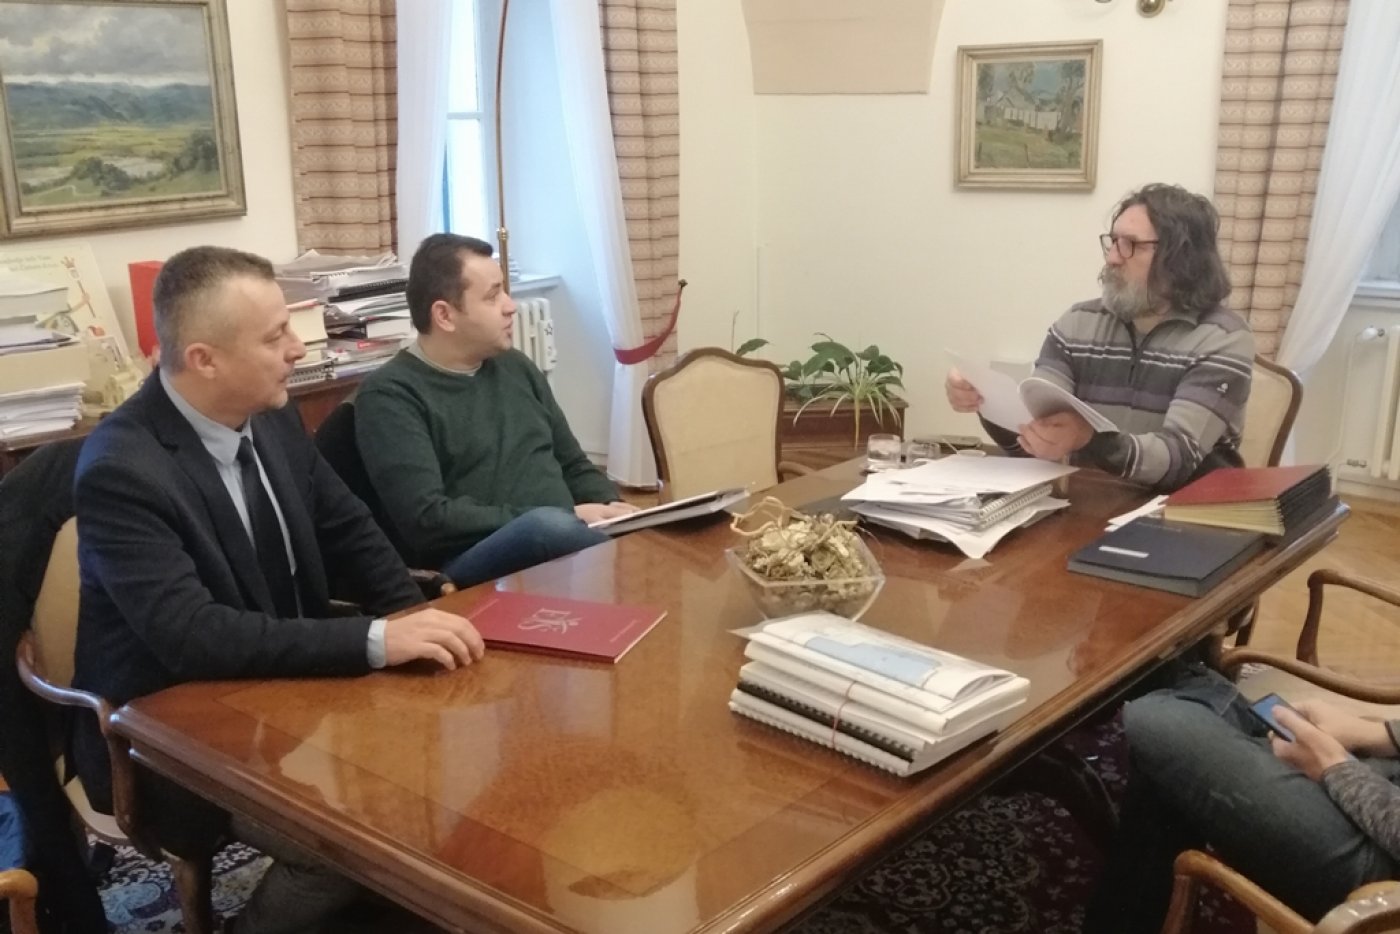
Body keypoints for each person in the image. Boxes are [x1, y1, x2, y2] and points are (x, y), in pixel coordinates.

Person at [71, 245, 485, 934]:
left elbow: (348, 527)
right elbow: (195, 636)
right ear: (204, 359)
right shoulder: (122, 470)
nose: (298, 348)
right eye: (275, 336)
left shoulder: (271, 415)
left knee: (434, 804)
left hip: (283, 692)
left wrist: (415, 619)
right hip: (168, 733)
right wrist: (375, 638)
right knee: (343, 854)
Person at [354, 233, 636, 587]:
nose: (510, 306)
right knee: (548, 527)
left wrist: (614, 510)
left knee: (666, 525)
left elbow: (573, 464)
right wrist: (568, 516)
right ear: (444, 315)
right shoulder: (390, 395)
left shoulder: (515, 366)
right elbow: (428, 519)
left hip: (562, 537)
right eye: (492, 296)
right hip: (470, 560)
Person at [945, 183, 1255, 492]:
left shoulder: (1223, 338)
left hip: (1183, 512)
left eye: (1131, 244)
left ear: (1182, 257)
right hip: (1086, 504)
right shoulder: (1078, 323)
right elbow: (1037, 443)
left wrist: (1089, 439)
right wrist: (986, 401)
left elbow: (1176, 460)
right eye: (1113, 242)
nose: (1113, 258)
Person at [1083, 665, 1400, 932]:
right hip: (1385, 782)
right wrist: (1375, 734)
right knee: (1182, 680)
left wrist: (1334, 766)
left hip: (1384, 869)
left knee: (1156, 717)